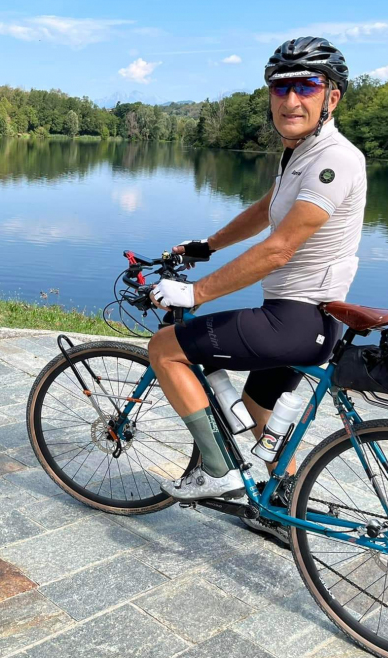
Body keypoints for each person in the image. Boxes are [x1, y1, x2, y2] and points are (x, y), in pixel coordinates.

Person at [146, 36, 366, 542]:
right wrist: (207, 245)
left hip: (294, 321)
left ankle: (219, 475)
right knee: (255, 409)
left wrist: (194, 293)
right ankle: (276, 501)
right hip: (304, 318)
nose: (291, 100)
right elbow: (266, 211)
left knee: (165, 349)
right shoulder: (303, 154)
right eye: (281, 88)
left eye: (306, 86)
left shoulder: (335, 161)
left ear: (331, 97)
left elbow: (278, 248)